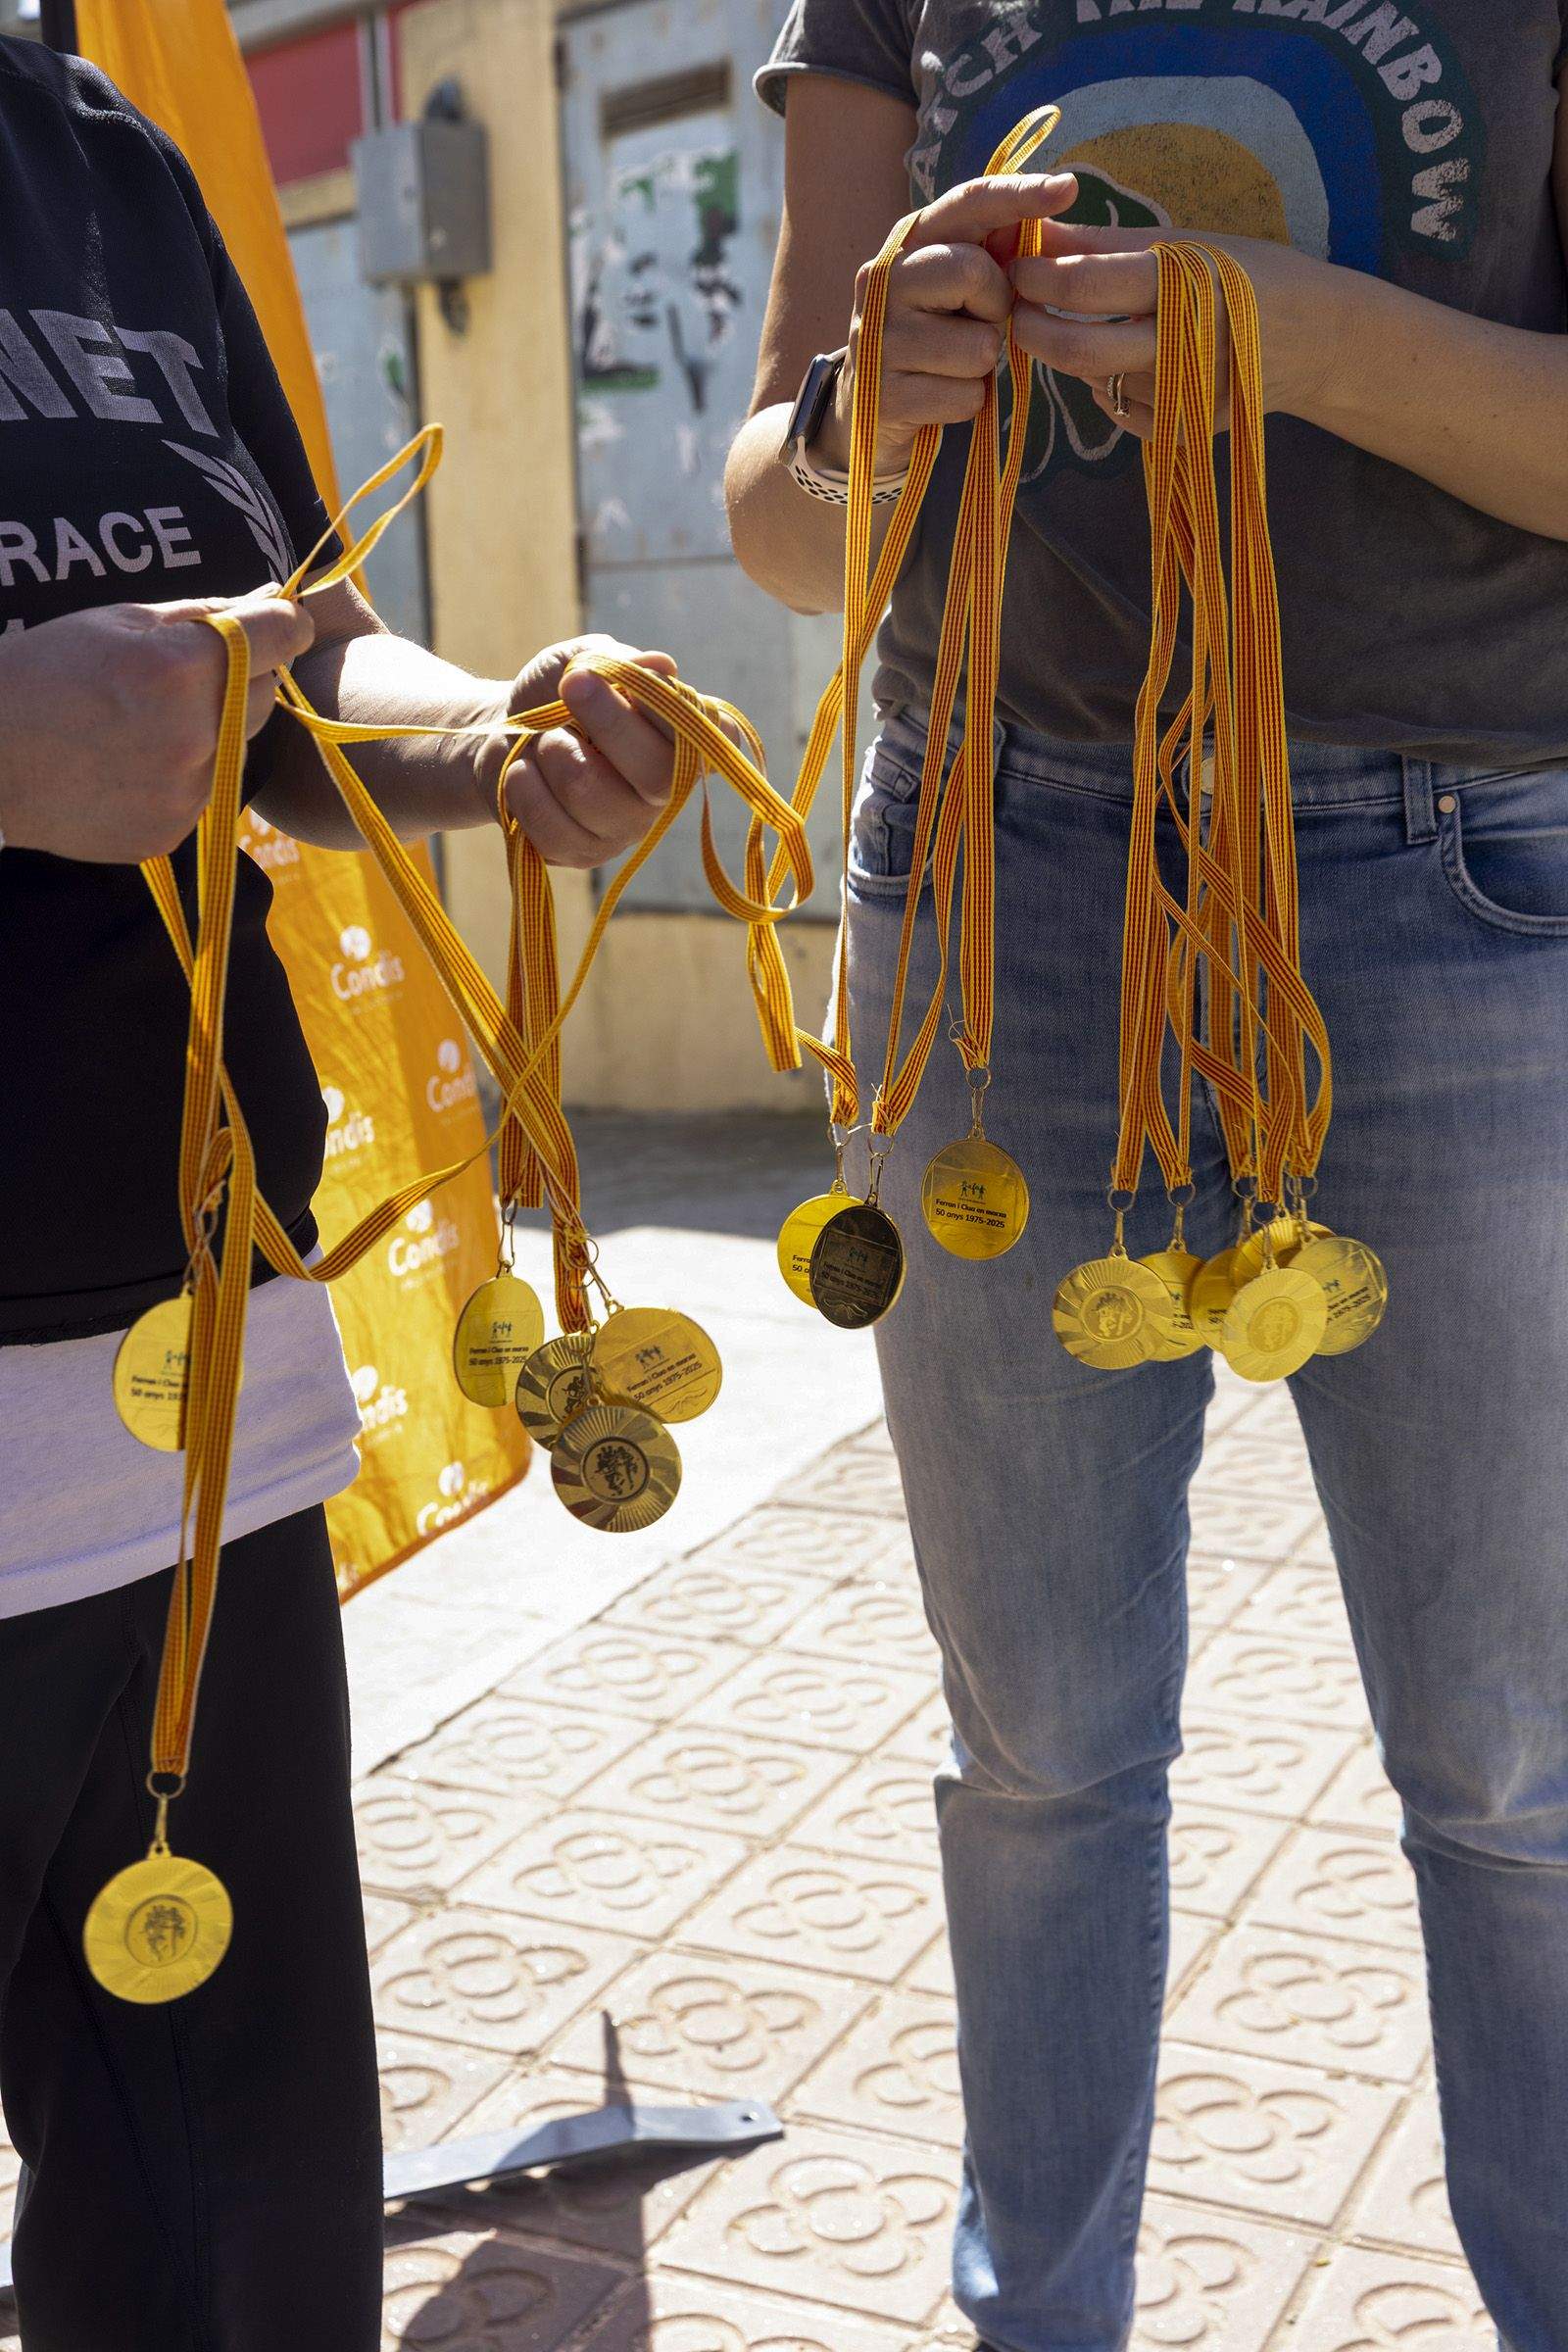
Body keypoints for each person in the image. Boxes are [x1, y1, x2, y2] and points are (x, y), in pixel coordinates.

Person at [728, 10, 1568, 2351]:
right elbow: (779, 523)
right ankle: (1040, 2320)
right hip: (995, 902)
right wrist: (867, 401)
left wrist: (1292, 343)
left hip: (1459, 888)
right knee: (1042, 1747)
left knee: (1513, 1760)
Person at [0, 35, 680, 2351]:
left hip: (191, 1379)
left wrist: (486, 733)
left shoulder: (97, 144)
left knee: (230, 2212)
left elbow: (292, 639)